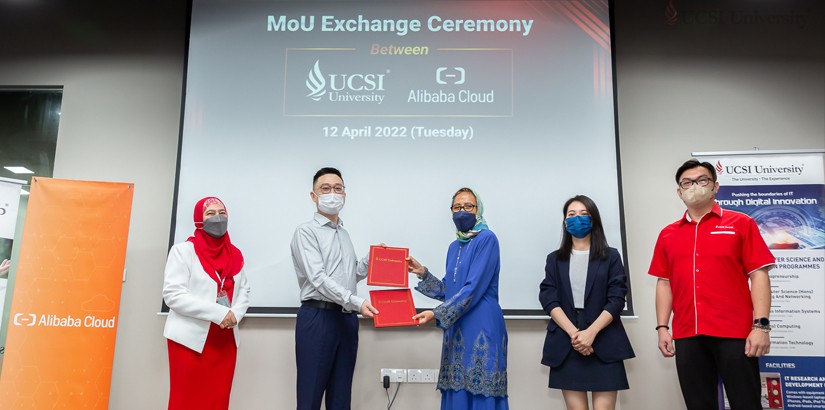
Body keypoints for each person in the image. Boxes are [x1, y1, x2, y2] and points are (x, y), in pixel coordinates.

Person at [649, 159, 774, 410]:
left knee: (746, 403)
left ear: (715, 186)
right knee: (698, 404)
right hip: (687, 334)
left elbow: (758, 274)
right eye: (687, 182)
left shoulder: (741, 223)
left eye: (702, 180)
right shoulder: (668, 234)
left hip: (735, 334)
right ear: (679, 191)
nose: (695, 186)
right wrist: (662, 327)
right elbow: (664, 282)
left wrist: (761, 326)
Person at [407, 187, 509, 410]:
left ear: (478, 209)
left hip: (482, 325)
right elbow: (450, 290)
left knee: (482, 392)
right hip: (457, 327)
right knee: (457, 392)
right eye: (457, 207)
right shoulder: (454, 247)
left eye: (469, 206)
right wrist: (423, 272)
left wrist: (437, 313)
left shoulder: (487, 239)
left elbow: (473, 289)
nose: (462, 211)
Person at [291, 167, 379, 410]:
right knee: (310, 398)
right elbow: (318, 278)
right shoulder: (305, 232)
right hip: (318, 318)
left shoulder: (344, 233)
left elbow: (351, 274)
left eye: (338, 189)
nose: (332, 194)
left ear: (345, 195)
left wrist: (374, 259)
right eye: (325, 189)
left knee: (341, 399)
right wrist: (357, 301)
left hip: (346, 319)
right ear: (313, 196)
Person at [538, 195, 634, 410]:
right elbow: (548, 297)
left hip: (604, 338)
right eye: (571, 215)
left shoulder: (611, 256)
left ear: (594, 220)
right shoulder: (554, 259)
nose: (576, 219)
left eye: (583, 214)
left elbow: (617, 298)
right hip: (567, 340)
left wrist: (590, 333)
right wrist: (575, 334)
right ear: (564, 222)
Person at [162, 196, 251, 410]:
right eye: (210, 213)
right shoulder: (183, 251)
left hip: (225, 339)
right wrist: (219, 313)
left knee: (217, 401)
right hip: (189, 341)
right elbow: (173, 294)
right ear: (198, 221)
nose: (218, 218)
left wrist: (235, 315)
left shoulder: (235, 254)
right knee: (186, 401)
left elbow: (245, 290)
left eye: (222, 212)